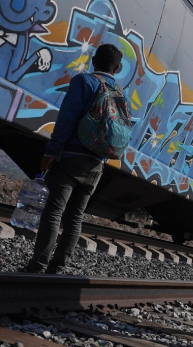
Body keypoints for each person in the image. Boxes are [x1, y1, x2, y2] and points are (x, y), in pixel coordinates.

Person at [23, 44, 124, 274]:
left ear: (93, 60)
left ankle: (38, 265)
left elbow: (66, 119)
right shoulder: (119, 92)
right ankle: (58, 267)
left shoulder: (84, 82)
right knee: (75, 217)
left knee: (54, 212)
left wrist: (51, 152)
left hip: (70, 158)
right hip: (97, 165)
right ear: (117, 68)